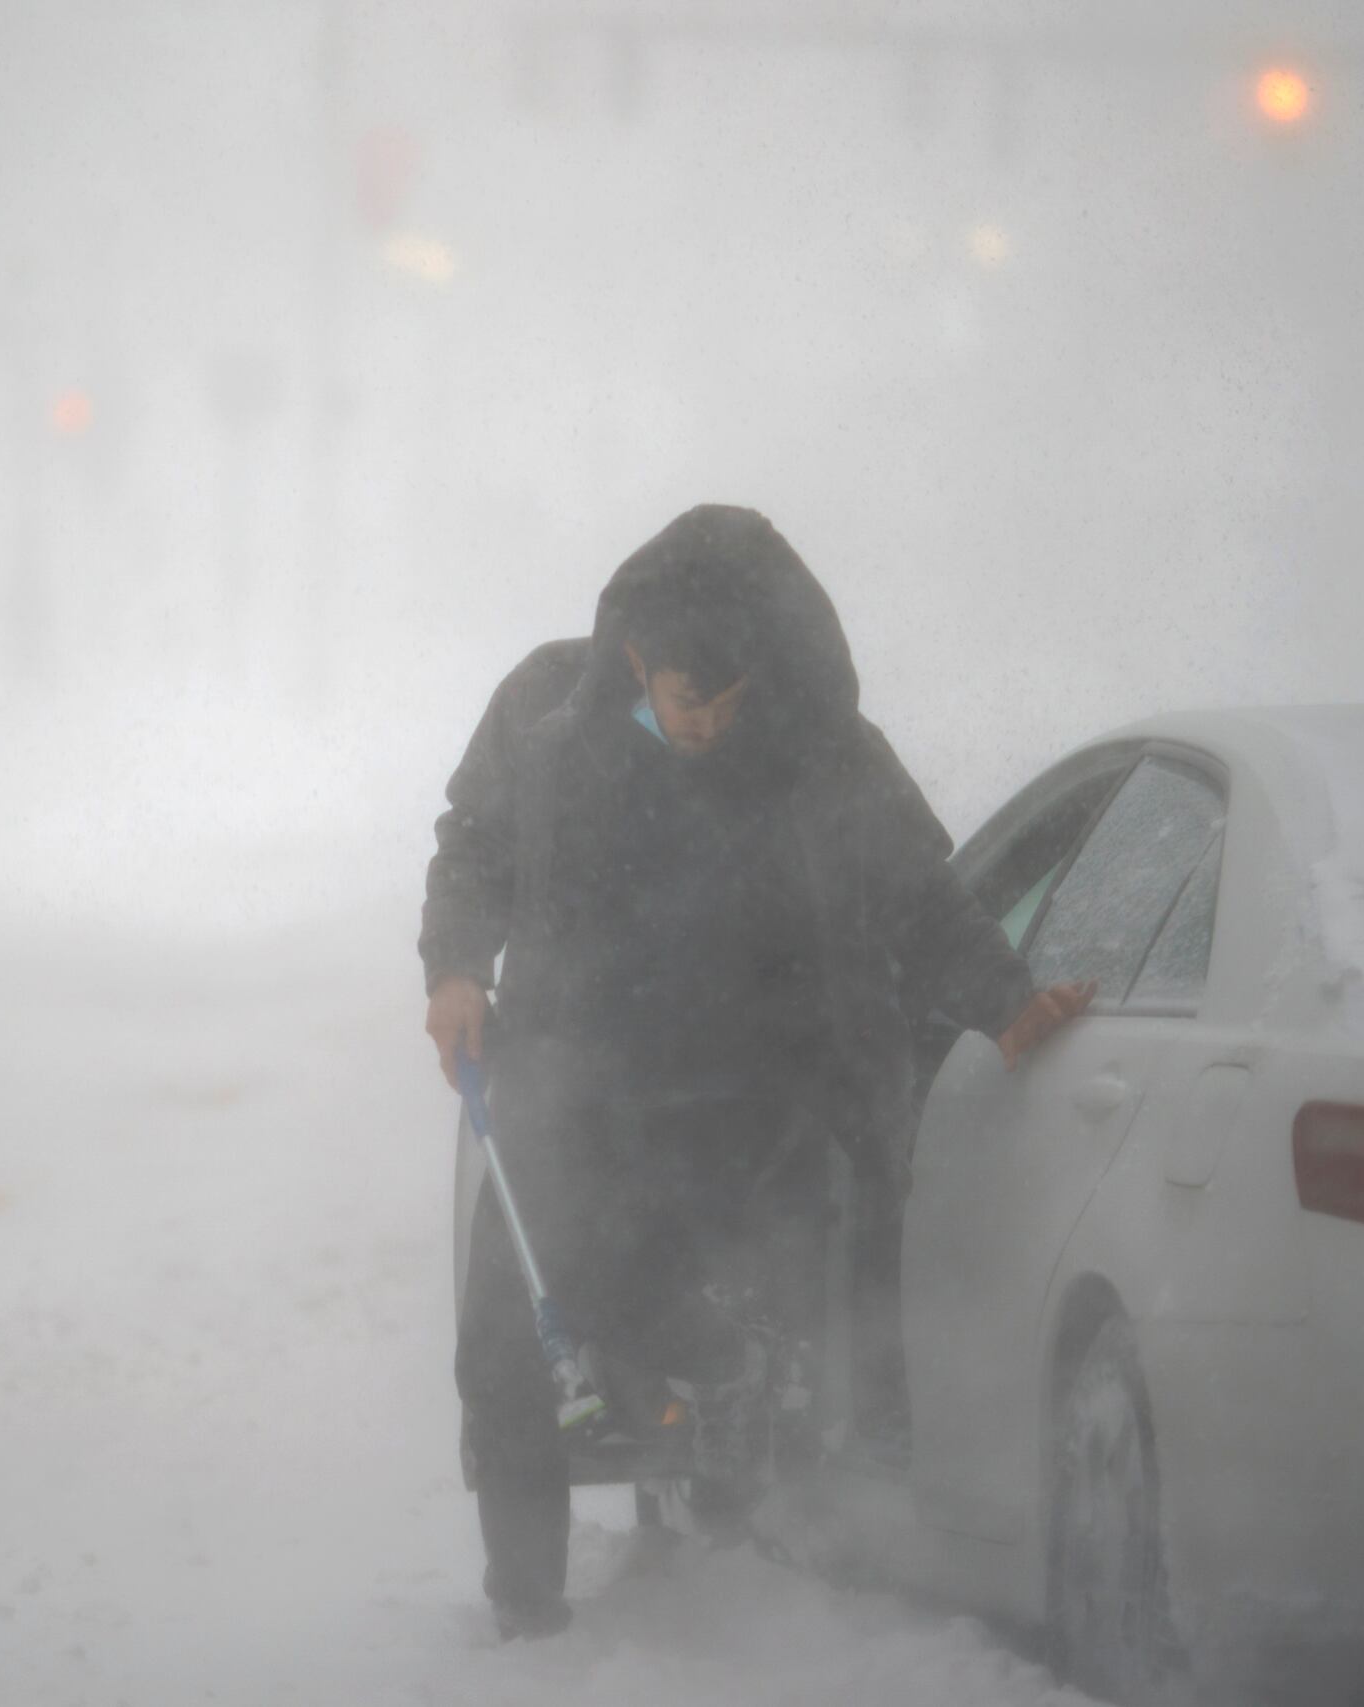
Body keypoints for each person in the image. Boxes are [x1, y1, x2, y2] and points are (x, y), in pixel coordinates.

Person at [419, 505, 1091, 1640]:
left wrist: (1006, 1002)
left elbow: (913, 888)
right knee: (506, 1339)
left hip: (743, 1087)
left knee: (753, 1296)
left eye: (733, 705)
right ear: (638, 656)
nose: (712, 729)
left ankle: (760, 1548)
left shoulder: (813, 740)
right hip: (564, 1074)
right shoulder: (542, 706)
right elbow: (470, 843)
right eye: (693, 702)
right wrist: (452, 968)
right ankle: (525, 1614)